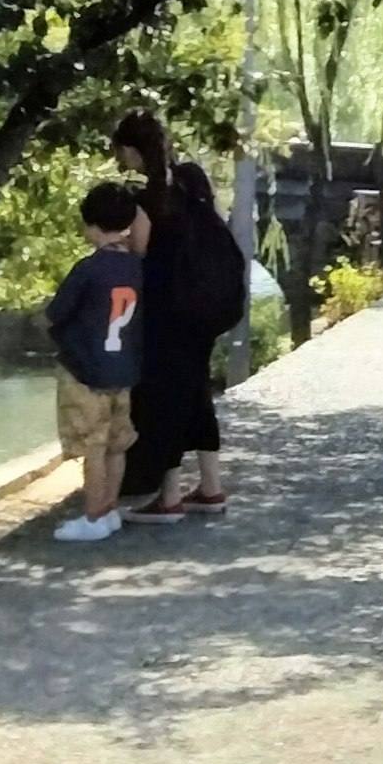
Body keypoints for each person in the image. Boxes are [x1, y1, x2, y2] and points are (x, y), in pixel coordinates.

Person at [125, 158, 242, 517]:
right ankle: (211, 487)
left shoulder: (156, 204)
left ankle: (170, 496)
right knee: (197, 395)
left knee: (167, 400)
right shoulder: (206, 213)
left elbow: (139, 251)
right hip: (204, 317)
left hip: (169, 316)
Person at [45, 182, 144, 540]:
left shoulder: (88, 269)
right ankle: (109, 510)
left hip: (86, 370)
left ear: (91, 225)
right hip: (123, 368)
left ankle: (92, 516)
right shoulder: (136, 267)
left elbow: (56, 314)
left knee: (93, 446)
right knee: (118, 443)